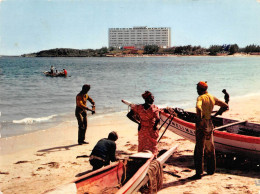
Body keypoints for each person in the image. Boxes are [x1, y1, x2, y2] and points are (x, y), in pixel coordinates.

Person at [190, 81, 229, 180]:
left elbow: (199, 107)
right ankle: (211, 170)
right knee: (210, 147)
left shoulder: (200, 98)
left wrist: (199, 117)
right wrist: (217, 114)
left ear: (200, 89)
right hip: (209, 123)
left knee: (199, 148)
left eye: (197, 89)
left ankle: (199, 173)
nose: (197, 91)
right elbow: (225, 105)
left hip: (202, 123)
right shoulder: (212, 97)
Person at [127, 91, 160, 156]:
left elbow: (129, 115)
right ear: (148, 99)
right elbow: (158, 119)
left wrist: (138, 123)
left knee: (142, 143)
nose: (153, 99)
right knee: (152, 144)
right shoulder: (154, 108)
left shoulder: (138, 107)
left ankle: (141, 157)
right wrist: (155, 126)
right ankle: (152, 157)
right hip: (151, 128)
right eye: (152, 98)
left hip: (142, 128)